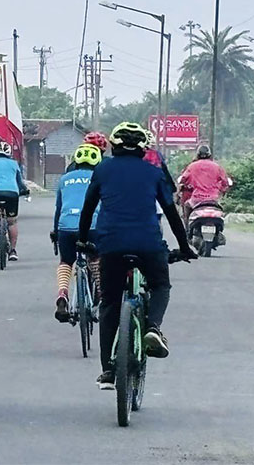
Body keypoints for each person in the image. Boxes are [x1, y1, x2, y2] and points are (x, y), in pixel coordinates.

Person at [78, 122, 196, 390]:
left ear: (114, 146)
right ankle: (153, 326)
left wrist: (84, 239)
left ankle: (108, 371)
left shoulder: (103, 169)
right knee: (160, 285)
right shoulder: (153, 173)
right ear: (143, 148)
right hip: (148, 245)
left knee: (109, 303)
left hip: (111, 245)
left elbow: (88, 209)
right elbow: (171, 213)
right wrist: (185, 247)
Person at [51, 143, 101, 321]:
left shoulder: (65, 179)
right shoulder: (99, 177)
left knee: (66, 262)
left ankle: (62, 295)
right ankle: (102, 297)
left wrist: (55, 231)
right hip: (92, 226)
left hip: (66, 226)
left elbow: (59, 208)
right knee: (95, 258)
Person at [178, 143, 232, 218]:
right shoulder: (217, 167)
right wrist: (221, 190)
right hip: (213, 199)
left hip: (197, 199)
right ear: (210, 155)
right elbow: (225, 182)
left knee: (186, 206)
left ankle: (187, 229)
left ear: (198, 155)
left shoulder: (192, 166)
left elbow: (183, 179)